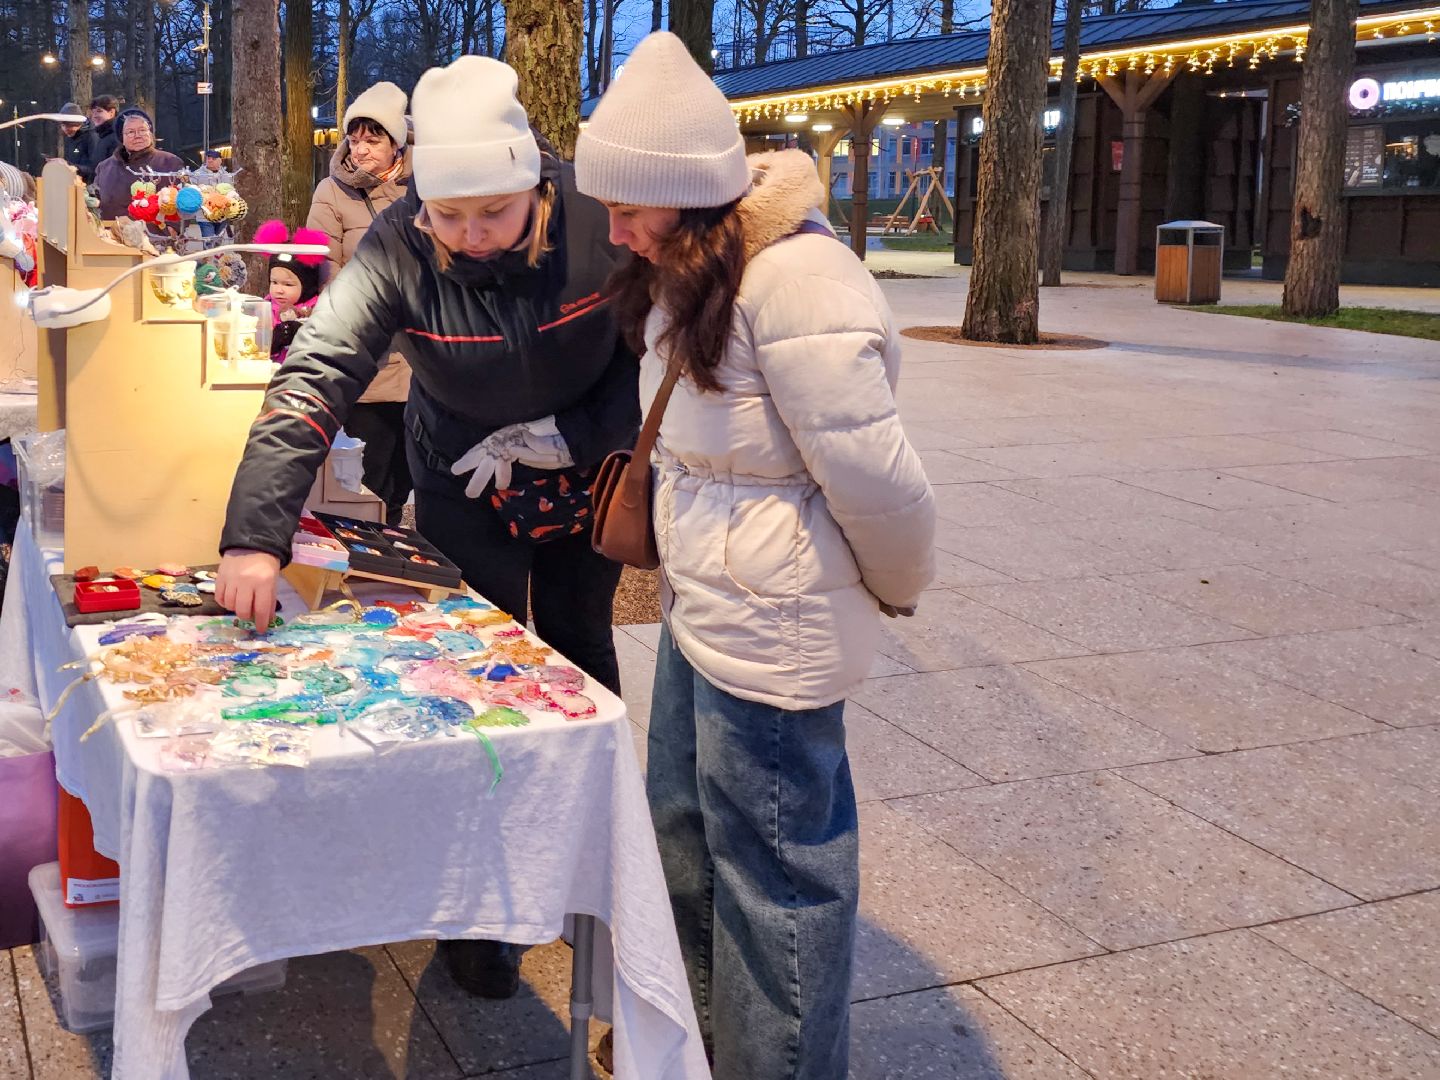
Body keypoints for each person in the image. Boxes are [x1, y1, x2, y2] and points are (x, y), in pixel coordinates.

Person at [214, 55, 639, 999]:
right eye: (452, 215)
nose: (474, 236)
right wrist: (255, 533)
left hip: (581, 471)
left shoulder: (599, 222)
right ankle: (475, 912)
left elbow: (654, 344)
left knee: (573, 654)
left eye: (496, 212)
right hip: (458, 470)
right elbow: (315, 374)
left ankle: (589, 871)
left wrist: (576, 434)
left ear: (535, 181)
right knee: (469, 679)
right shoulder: (399, 244)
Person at [575, 31, 935, 1079]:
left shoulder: (799, 282)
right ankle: (693, 1045)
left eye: (629, 204)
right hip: (711, 608)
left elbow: (880, 482)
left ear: (684, 191)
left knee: (778, 879)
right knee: (686, 838)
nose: (615, 228)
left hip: (775, 628)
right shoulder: (698, 272)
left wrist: (892, 588)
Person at [304, 81, 414, 524]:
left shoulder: (423, 188)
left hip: (423, 358)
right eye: (354, 137)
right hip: (368, 353)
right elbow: (322, 267)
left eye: (373, 139)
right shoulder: (332, 192)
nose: (361, 149)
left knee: (405, 477)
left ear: (396, 144)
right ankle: (363, 556)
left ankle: (392, 554)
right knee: (367, 477)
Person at [253, 220, 327, 361]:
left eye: (288, 285)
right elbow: (256, 345)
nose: (279, 290)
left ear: (306, 286)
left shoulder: (316, 310)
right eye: (274, 282)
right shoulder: (265, 309)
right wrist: (274, 339)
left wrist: (298, 331)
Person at [93, 108, 184, 220]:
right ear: (122, 137)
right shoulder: (105, 168)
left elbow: (183, 203)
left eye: (142, 130)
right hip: (112, 234)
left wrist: (172, 228)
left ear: (150, 133)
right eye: (131, 132)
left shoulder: (170, 162)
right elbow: (95, 204)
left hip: (157, 235)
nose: (138, 136)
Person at [75, 95, 120, 183]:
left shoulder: (116, 137)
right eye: (93, 112)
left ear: (111, 112)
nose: (94, 116)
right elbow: (95, 168)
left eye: (99, 111)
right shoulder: (102, 136)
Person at [58, 102, 88, 172]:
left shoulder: (91, 137)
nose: (65, 129)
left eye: (69, 126)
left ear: (79, 124)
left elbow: (94, 167)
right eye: (63, 125)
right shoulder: (69, 138)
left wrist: (76, 168)